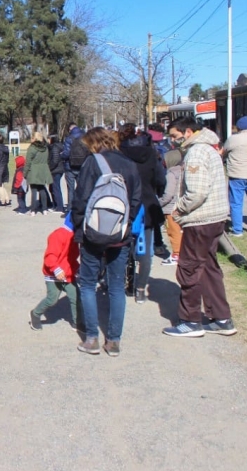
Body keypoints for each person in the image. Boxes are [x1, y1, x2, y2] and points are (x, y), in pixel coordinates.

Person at [70, 127, 142, 357]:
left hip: (93, 233)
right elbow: (136, 199)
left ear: (93, 143)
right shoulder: (130, 164)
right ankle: (113, 341)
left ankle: (92, 338)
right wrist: (125, 225)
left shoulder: (92, 163)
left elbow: (80, 200)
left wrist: (80, 229)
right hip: (119, 235)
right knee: (116, 287)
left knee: (88, 284)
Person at [163, 117, 237, 337]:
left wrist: (179, 209)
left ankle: (190, 320)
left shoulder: (196, 152)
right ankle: (222, 318)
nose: (173, 142)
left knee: (189, 268)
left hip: (201, 220)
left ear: (187, 132)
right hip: (213, 218)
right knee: (208, 269)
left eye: (175, 136)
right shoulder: (209, 148)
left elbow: (197, 192)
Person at [118, 123, 166, 304]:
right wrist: (157, 192)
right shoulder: (152, 155)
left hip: (125, 205)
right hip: (146, 205)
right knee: (146, 249)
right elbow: (161, 179)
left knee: (121, 245)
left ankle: (121, 282)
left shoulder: (120, 155)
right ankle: (140, 289)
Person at [29, 213, 81, 331]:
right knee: (52, 299)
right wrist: (56, 269)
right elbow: (50, 256)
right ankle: (35, 313)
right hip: (53, 274)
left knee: (76, 297)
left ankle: (77, 322)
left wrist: (77, 268)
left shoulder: (75, 237)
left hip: (68, 274)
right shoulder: (58, 235)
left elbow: (71, 258)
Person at [158, 148, 184, 267]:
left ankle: (176, 254)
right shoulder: (184, 171)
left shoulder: (171, 174)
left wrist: (160, 202)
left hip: (170, 208)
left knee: (173, 232)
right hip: (182, 206)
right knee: (182, 232)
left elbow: (168, 194)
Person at [24, 132, 52, 215]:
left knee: (34, 190)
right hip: (43, 169)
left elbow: (28, 162)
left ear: (34, 138)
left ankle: (33, 210)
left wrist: (25, 173)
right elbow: (47, 159)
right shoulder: (45, 148)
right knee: (42, 189)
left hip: (34, 170)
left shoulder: (32, 148)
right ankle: (44, 209)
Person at [61, 123, 87, 212]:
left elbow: (66, 153)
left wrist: (62, 156)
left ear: (70, 129)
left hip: (70, 166)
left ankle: (70, 208)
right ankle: (81, 207)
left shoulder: (69, 138)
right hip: (82, 166)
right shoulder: (85, 137)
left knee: (70, 189)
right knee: (82, 187)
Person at [48, 134, 65, 213]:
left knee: (56, 188)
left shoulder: (55, 148)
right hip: (58, 169)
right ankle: (56, 205)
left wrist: (49, 168)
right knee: (53, 188)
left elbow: (55, 160)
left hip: (56, 170)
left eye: (49, 138)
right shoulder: (58, 146)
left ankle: (59, 207)